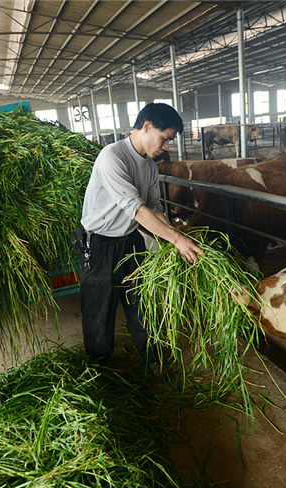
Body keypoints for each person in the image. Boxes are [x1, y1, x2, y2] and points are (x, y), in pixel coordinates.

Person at [79, 102, 202, 366]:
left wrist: (174, 236)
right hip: (101, 245)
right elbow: (136, 209)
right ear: (147, 127)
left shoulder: (150, 167)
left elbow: (155, 209)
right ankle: (100, 370)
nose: (166, 146)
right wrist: (177, 240)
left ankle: (153, 362)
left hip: (131, 242)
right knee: (100, 309)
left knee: (142, 304)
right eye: (165, 138)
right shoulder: (112, 157)